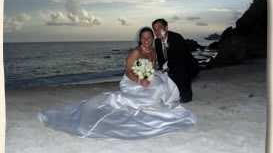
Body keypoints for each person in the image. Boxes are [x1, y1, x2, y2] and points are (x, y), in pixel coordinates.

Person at [37, 27, 196, 140]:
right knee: (150, 92)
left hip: (146, 76)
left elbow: (152, 67)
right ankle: (143, 103)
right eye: (144, 38)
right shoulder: (135, 52)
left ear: (151, 39)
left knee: (161, 85)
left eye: (149, 37)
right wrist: (140, 80)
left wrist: (150, 75)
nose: (147, 40)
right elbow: (128, 71)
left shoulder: (153, 52)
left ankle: (155, 104)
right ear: (140, 39)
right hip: (132, 79)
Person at [152, 18, 199, 103]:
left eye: (160, 28)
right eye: (155, 29)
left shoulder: (176, 38)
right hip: (172, 68)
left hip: (186, 67)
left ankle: (185, 92)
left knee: (184, 98)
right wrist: (163, 70)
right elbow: (161, 59)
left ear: (166, 28)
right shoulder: (157, 42)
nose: (157, 31)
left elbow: (179, 58)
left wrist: (166, 67)